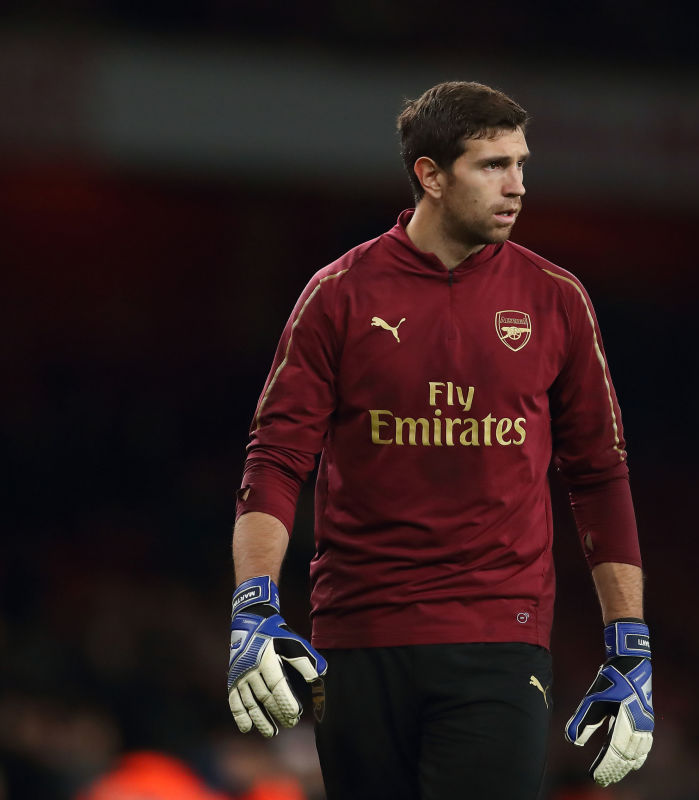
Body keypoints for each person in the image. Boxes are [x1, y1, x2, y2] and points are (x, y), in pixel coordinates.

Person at [224, 81, 653, 800]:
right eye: (493, 166)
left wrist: (630, 644)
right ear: (430, 174)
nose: (517, 186)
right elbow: (276, 457)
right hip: (359, 634)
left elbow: (599, 476)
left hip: (500, 633)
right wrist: (253, 603)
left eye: (521, 165)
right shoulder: (339, 294)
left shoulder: (555, 299)